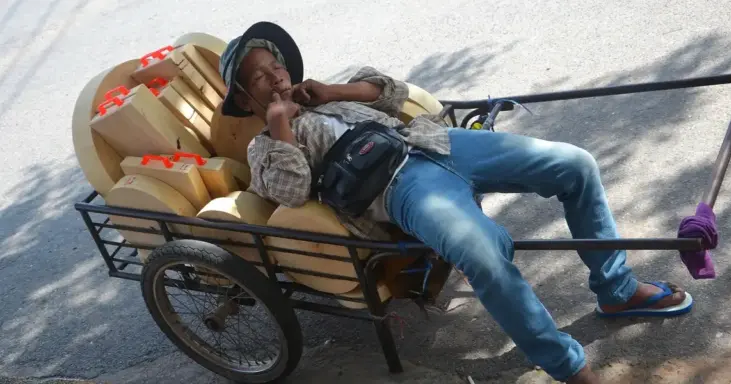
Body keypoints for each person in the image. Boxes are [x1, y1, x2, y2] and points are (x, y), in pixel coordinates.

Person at [218, 22, 694, 384]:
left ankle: (616, 290)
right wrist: (282, 125)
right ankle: (566, 365)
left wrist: (332, 91)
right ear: (246, 97)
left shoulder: (326, 96)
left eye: (274, 66)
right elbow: (290, 191)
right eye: (258, 78)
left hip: (436, 142)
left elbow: (392, 93)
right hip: (396, 189)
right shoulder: (264, 147)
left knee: (575, 164)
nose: (274, 79)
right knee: (484, 252)